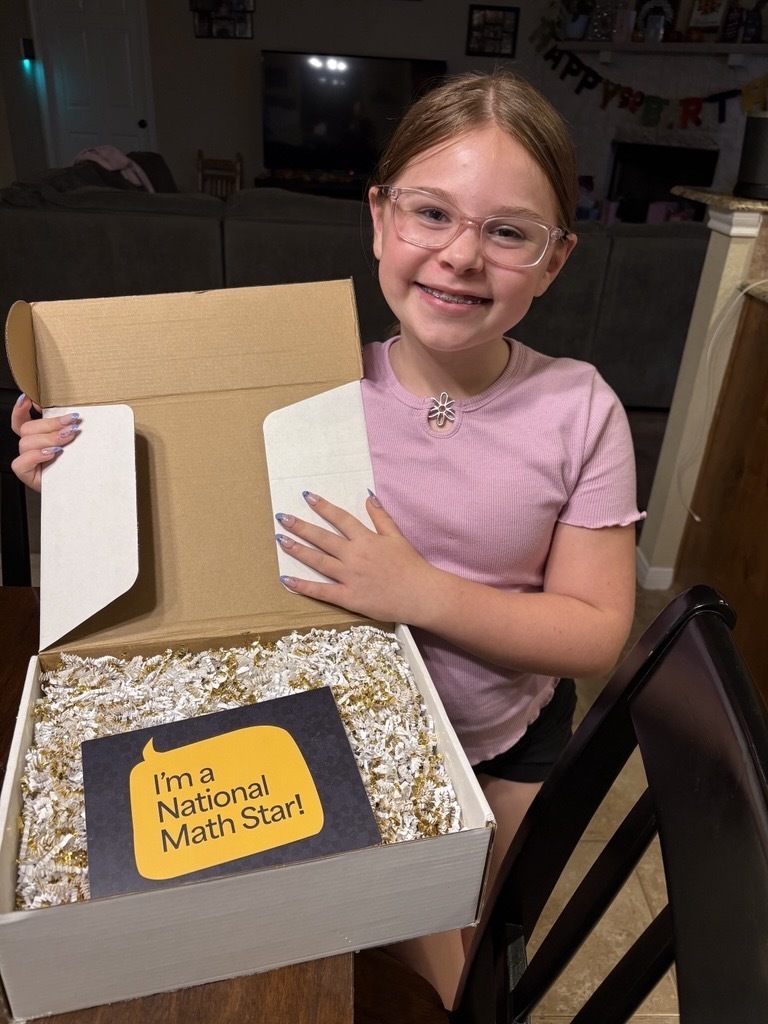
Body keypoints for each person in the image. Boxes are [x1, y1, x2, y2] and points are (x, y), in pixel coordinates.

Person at [12, 70, 642, 1008]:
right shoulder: (305, 377)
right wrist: (70, 467)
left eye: (509, 232)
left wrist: (418, 592)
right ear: (381, 219)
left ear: (554, 260)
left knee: (457, 969)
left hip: (494, 744)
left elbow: (596, 629)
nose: (462, 256)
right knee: (260, 955)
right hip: (321, 726)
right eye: (433, 214)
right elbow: (189, 521)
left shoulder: (579, 407)